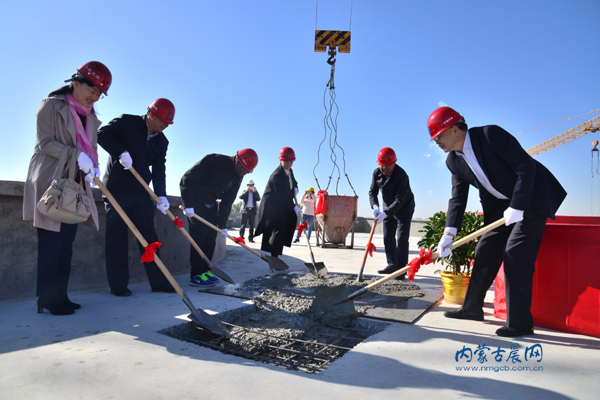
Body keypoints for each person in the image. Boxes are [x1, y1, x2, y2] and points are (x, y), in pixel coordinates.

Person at [428, 106, 567, 337]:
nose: (436, 142)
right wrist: (449, 233)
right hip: (503, 208)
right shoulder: (453, 161)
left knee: (515, 254)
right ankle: (472, 308)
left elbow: (526, 167)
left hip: (532, 198)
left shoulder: (490, 135)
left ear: (454, 130)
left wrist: (518, 206)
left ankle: (520, 323)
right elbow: (458, 198)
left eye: (438, 136)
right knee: (485, 250)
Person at [23, 61, 112, 315]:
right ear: (76, 83)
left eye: (98, 94)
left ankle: (61, 295)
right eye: (91, 90)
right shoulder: (51, 106)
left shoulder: (91, 118)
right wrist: (75, 154)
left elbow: (92, 148)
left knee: (66, 243)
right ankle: (46, 298)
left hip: (75, 183)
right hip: (51, 180)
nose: (93, 97)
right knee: (51, 242)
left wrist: (92, 164)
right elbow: (45, 143)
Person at [97, 98, 176, 296]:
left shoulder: (161, 141)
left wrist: (161, 195)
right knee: (117, 238)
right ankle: (118, 286)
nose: (165, 126)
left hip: (141, 192)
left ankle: (158, 282)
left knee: (149, 238)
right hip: (116, 189)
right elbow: (101, 135)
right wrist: (120, 152)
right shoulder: (127, 122)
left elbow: (159, 169)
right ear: (151, 115)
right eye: (163, 122)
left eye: (168, 124)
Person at [180, 149, 258, 288]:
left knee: (211, 237)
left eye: (248, 171)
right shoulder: (214, 161)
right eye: (245, 169)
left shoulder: (237, 177)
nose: (245, 173)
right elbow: (186, 179)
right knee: (199, 237)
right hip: (196, 201)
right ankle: (196, 275)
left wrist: (222, 224)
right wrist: (188, 204)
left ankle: (206, 270)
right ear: (239, 162)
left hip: (211, 204)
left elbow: (227, 201)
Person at [369, 148, 415, 281]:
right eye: (381, 166)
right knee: (387, 237)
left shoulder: (401, 175)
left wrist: (385, 213)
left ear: (394, 163)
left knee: (401, 239)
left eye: (387, 166)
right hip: (386, 208)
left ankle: (400, 270)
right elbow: (372, 192)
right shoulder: (376, 173)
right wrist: (375, 206)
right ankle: (391, 264)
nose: (384, 169)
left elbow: (400, 199)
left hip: (404, 209)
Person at [254, 147, 302, 258]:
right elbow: (281, 195)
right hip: (272, 207)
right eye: (286, 161)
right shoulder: (276, 175)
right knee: (276, 230)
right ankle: (273, 256)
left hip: (282, 206)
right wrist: (293, 206)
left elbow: (293, 181)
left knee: (283, 229)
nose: (289, 163)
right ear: (280, 160)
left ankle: (276, 255)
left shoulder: (290, 171)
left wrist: (295, 187)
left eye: (291, 161)